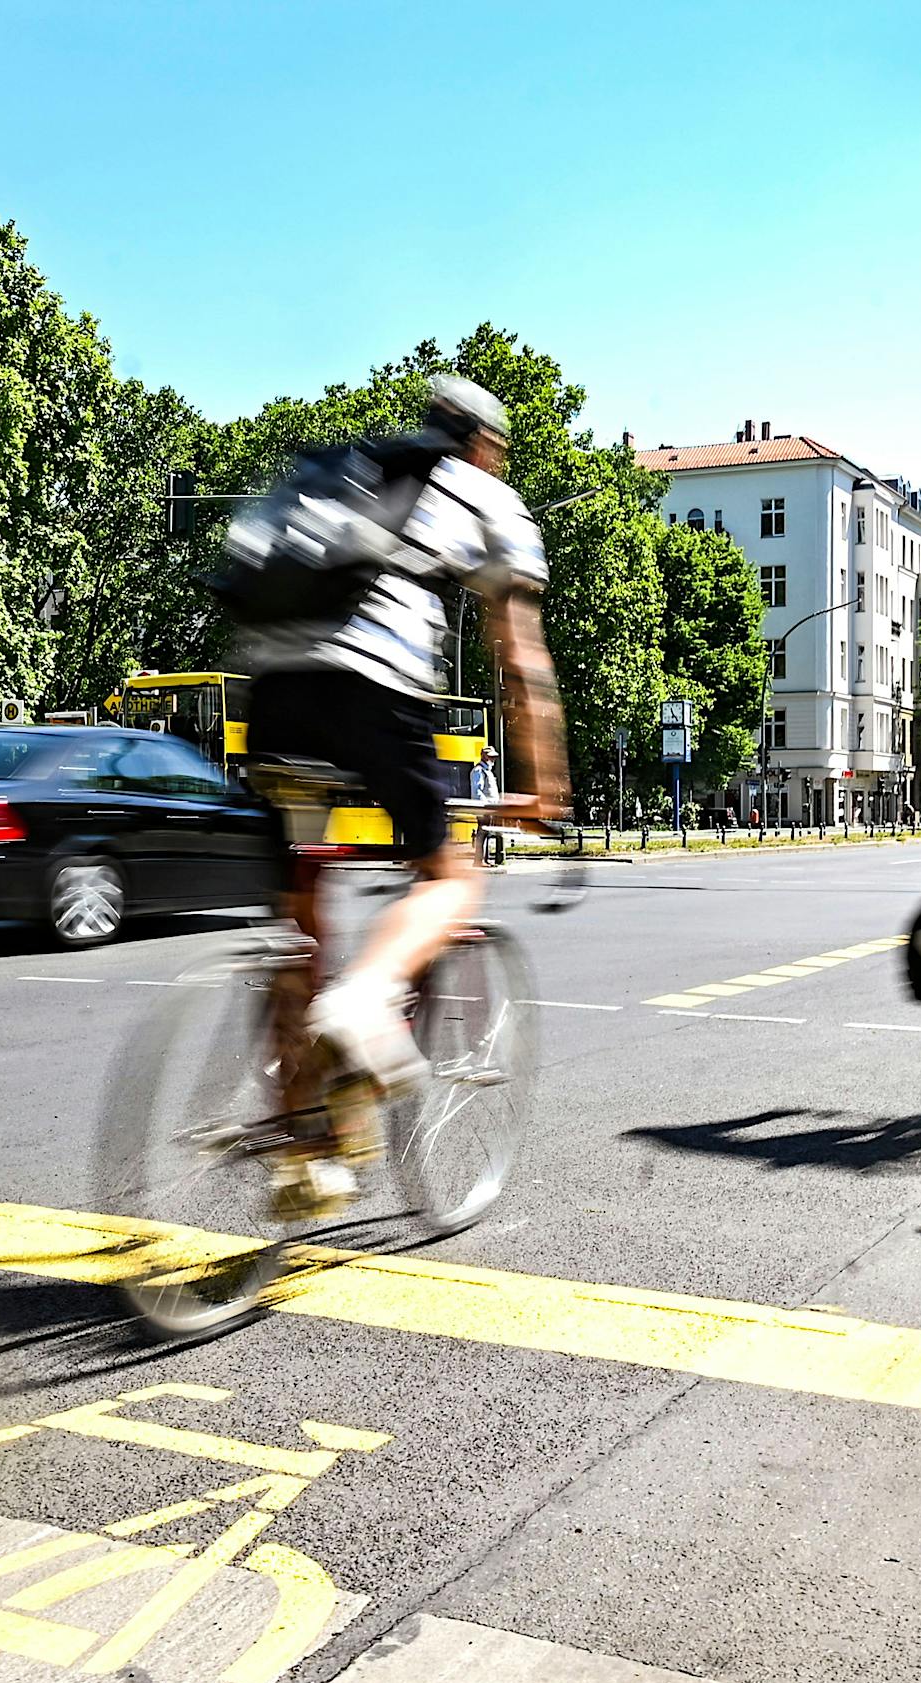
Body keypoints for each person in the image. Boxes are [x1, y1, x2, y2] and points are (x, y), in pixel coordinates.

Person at [242, 375, 569, 1215]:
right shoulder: (482, 491)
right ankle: (371, 999)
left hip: (273, 685)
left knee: (303, 910)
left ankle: (305, 1148)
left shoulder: (353, 470)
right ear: (486, 443)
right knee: (452, 876)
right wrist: (542, 786)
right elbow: (522, 657)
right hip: (372, 684)